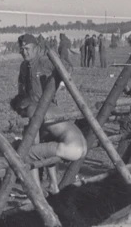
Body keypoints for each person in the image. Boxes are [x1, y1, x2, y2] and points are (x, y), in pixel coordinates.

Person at [11, 33, 86, 166]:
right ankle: (37, 174)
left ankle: (47, 178)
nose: (24, 52)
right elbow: (21, 87)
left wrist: (60, 84)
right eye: (22, 49)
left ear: (36, 48)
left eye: (27, 49)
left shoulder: (45, 61)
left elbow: (67, 68)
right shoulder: (23, 66)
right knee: (33, 143)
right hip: (32, 109)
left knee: (46, 144)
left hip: (48, 110)